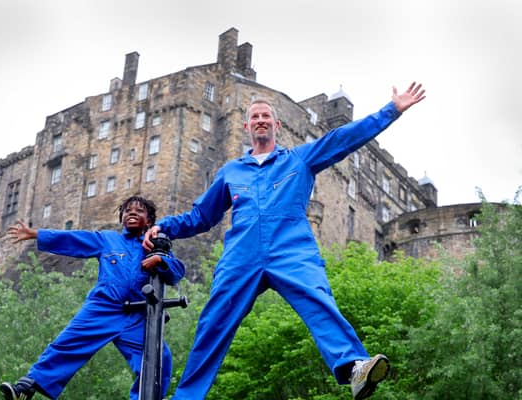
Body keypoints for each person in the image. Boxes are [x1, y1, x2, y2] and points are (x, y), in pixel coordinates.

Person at [143, 83, 426, 400]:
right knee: (213, 322)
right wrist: (164, 226)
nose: (261, 120)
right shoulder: (231, 171)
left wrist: (391, 111)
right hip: (241, 255)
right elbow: (201, 217)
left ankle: (354, 367)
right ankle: (186, 397)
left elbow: (343, 139)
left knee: (317, 298)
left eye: (266, 115)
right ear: (248, 126)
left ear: (277, 125)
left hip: (291, 248)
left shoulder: (299, 159)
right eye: (254, 117)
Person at [0, 195, 185, 400]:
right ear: (122, 218)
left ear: (149, 221)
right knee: (68, 343)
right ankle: (26, 389)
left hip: (136, 315)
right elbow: (73, 239)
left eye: (139, 211)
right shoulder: (107, 239)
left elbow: (176, 271)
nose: (132, 213)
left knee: (159, 358)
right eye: (127, 211)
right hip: (103, 308)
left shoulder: (156, 244)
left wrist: (160, 259)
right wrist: (36, 234)